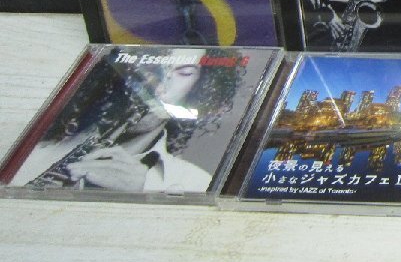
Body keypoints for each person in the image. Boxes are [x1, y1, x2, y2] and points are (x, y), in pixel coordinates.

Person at [10, 54, 241, 192]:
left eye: (185, 72)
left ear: (201, 89)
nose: (160, 85)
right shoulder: (36, 144)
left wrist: (146, 187)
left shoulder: (198, 182)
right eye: (153, 68)